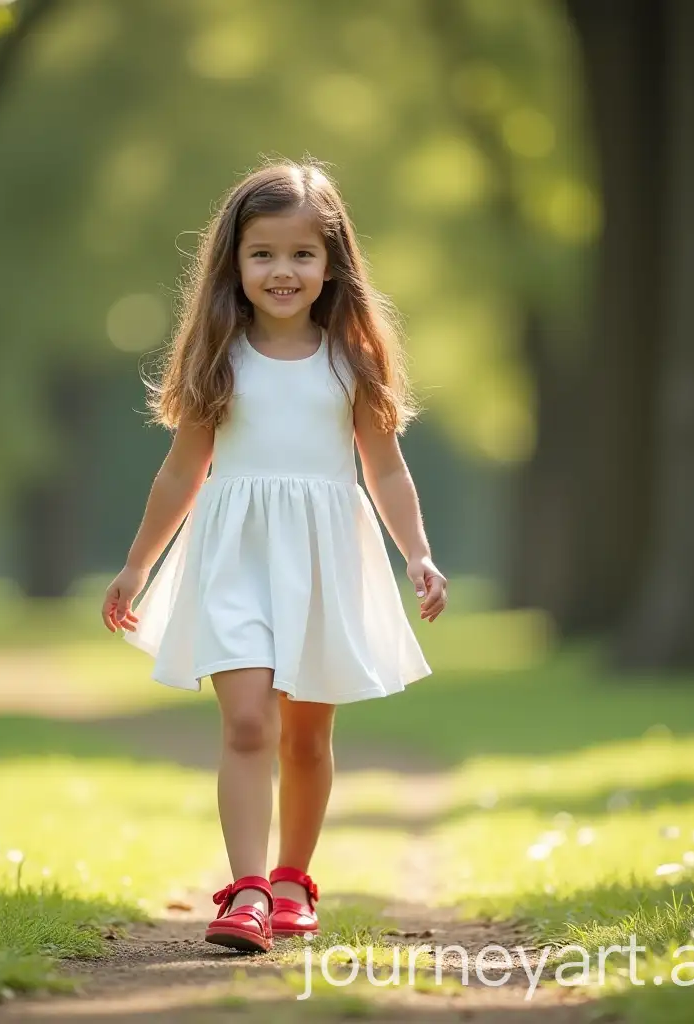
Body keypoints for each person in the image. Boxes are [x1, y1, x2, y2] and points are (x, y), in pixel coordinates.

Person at [102, 160, 447, 953]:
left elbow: (385, 467)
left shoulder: (350, 361)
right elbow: (183, 470)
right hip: (234, 556)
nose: (282, 271)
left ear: (332, 265)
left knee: (306, 737)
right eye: (263, 254)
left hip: (324, 560)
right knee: (250, 722)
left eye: (301, 254)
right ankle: (247, 889)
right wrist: (137, 566)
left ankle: (294, 879)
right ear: (234, 262)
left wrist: (417, 555)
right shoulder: (217, 358)